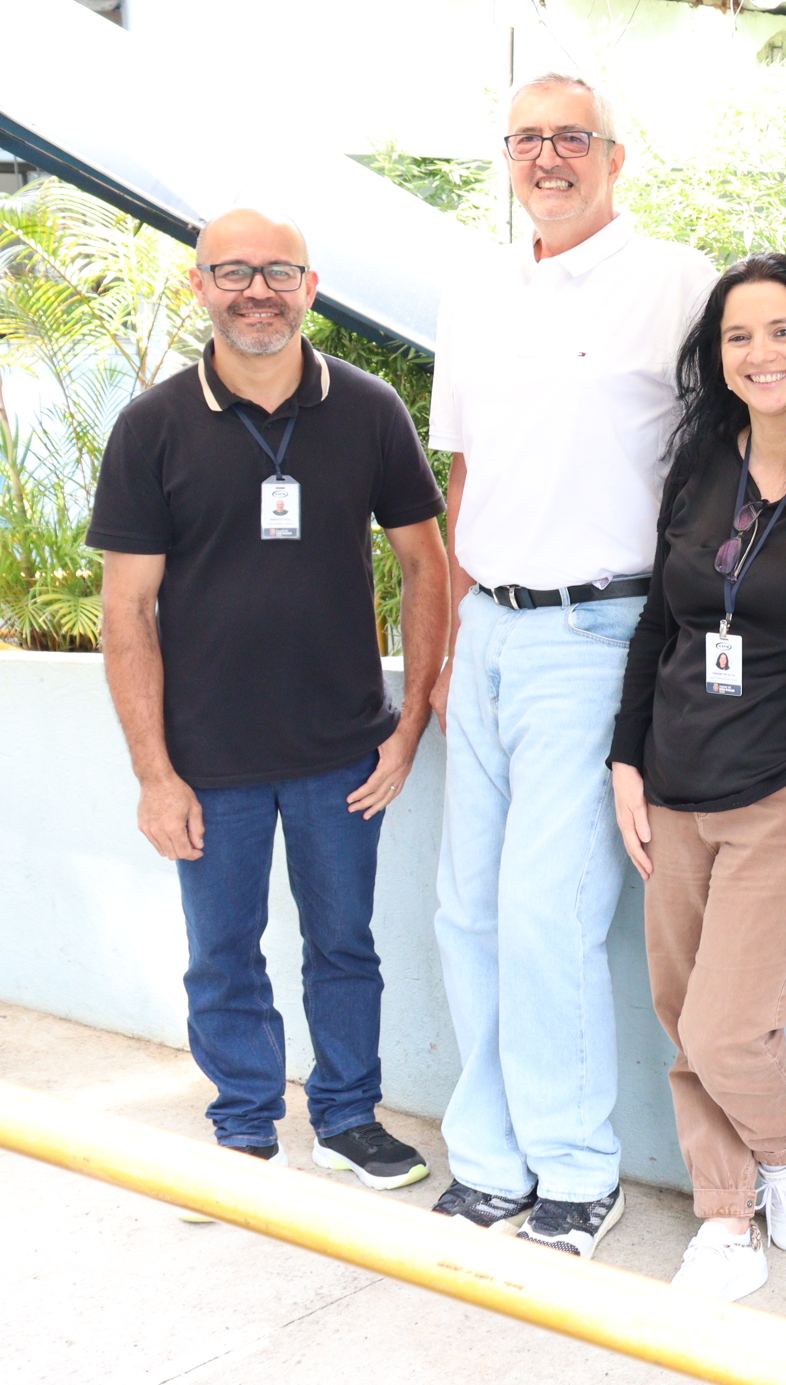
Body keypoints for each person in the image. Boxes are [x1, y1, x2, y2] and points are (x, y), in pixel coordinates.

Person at [90, 208, 447, 1207]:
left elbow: (427, 563)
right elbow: (128, 611)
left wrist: (409, 721)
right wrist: (156, 773)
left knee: (345, 944)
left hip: (344, 748)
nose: (257, 290)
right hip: (210, 758)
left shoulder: (370, 408)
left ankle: (346, 1117)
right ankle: (244, 1128)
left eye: (278, 272)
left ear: (311, 285)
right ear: (199, 286)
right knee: (223, 952)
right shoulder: (152, 426)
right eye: (234, 271)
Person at [426, 72, 717, 1255]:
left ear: (615, 156)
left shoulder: (681, 284)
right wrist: (442, 646)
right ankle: (490, 1160)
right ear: (507, 156)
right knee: (466, 912)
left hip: (599, 635)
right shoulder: (477, 284)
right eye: (528, 138)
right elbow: (463, 475)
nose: (548, 157)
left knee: (548, 913)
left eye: (572, 138)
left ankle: (578, 1170)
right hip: (486, 629)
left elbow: (722, 467)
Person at [607, 254, 786, 1302]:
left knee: (726, 1024)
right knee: (683, 1018)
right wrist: (626, 758)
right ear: (716, 360)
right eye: (737, 337)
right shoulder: (702, 460)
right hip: (676, 778)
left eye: (780, 332)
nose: (759, 354)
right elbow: (661, 622)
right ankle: (725, 1218)